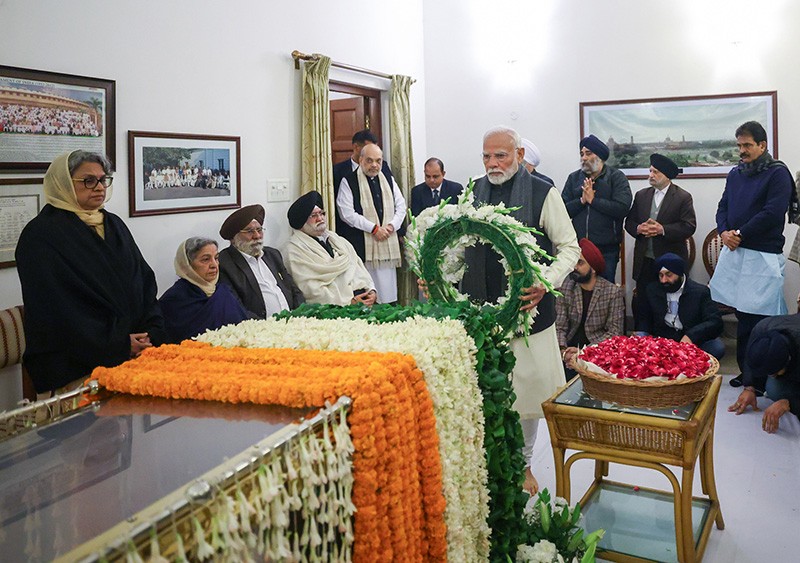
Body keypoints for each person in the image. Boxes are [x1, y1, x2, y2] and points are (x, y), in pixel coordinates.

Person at [462, 126, 580, 494]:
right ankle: (490, 460)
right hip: (480, 313)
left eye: (501, 155)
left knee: (527, 398)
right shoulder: (472, 193)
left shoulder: (544, 193)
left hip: (530, 315)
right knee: (486, 391)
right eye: (486, 156)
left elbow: (570, 249)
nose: (493, 163)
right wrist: (441, 277)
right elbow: (461, 244)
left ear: (519, 155)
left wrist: (545, 282)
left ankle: (524, 465)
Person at [16, 150, 165, 395]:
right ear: (63, 183)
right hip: (75, 358)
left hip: (134, 347)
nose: (99, 187)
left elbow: (143, 282)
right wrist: (119, 344)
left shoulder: (113, 224)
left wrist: (151, 332)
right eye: (88, 180)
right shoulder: (41, 235)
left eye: (103, 179)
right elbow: (57, 310)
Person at [709, 121, 794, 387]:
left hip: (763, 256)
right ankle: (746, 373)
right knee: (743, 317)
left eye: (747, 145)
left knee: (763, 318)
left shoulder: (778, 173)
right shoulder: (736, 173)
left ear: (762, 145)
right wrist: (724, 233)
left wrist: (740, 234)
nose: (742, 150)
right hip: (736, 253)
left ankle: (761, 377)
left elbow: (773, 212)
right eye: (739, 145)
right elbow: (723, 206)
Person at [625, 153, 696, 314]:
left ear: (667, 175)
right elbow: (629, 222)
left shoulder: (682, 197)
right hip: (644, 261)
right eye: (650, 171)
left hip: (670, 260)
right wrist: (639, 229)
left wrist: (662, 229)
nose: (651, 175)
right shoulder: (641, 195)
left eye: (655, 172)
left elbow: (689, 226)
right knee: (644, 303)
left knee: (669, 304)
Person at [336, 143, 407, 303]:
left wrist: (390, 227)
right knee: (368, 292)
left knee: (388, 295)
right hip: (363, 245)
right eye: (369, 160)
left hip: (387, 243)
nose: (374, 165)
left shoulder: (388, 179)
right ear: (361, 160)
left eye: (378, 161)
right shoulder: (349, 181)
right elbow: (346, 213)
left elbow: (401, 205)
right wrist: (374, 229)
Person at [285, 191, 377, 306]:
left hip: (364, 300)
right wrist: (350, 302)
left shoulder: (338, 240)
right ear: (302, 221)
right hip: (336, 309)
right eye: (314, 216)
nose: (320, 218)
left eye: (322, 213)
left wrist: (371, 290)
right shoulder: (294, 250)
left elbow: (359, 268)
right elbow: (311, 290)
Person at [562, 134, 632, 282]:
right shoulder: (574, 178)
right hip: (578, 249)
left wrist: (594, 201)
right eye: (581, 154)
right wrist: (581, 201)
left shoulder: (616, 177)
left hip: (606, 250)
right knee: (576, 294)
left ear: (600, 156)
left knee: (605, 294)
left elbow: (622, 208)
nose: (584, 158)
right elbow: (562, 211)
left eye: (588, 153)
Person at [218, 204, 304, 318]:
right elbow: (235, 307)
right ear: (234, 237)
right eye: (249, 231)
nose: (257, 236)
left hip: (292, 323)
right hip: (258, 329)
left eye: (259, 230)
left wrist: (300, 315)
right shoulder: (225, 263)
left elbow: (293, 290)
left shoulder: (272, 255)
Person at [159, 237, 250, 343]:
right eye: (206, 259)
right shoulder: (173, 300)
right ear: (187, 264)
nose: (214, 265)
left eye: (216, 258)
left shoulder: (224, 292)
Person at [556, 238, 624, 380]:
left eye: (580, 263)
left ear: (593, 269)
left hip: (598, 352)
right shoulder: (566, 287)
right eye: (574, 262)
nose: (575, 267)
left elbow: (615, 332)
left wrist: (584, 352)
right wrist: (563, 351)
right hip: (568, 351)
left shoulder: (612, 292)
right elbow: (559, 326)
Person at [635, 253, 725, 359]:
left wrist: (691, 335)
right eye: (661, 275)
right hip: (662, 340)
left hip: (691, 339)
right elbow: (644, 318)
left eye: (669, 275)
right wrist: (641, 336)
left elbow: (715, 321)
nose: (664, 280)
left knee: (716, 347)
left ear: (680, 274)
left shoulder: (700, 292)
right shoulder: (652, 290)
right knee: (638, 344)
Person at [729, 314, 800, 433]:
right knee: (773, 389)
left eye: (774, 373)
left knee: (777, 392)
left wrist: (789, 404)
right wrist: (749, 387)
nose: (773, 376)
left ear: (787, 360)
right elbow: (750, 360)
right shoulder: (762, 329)